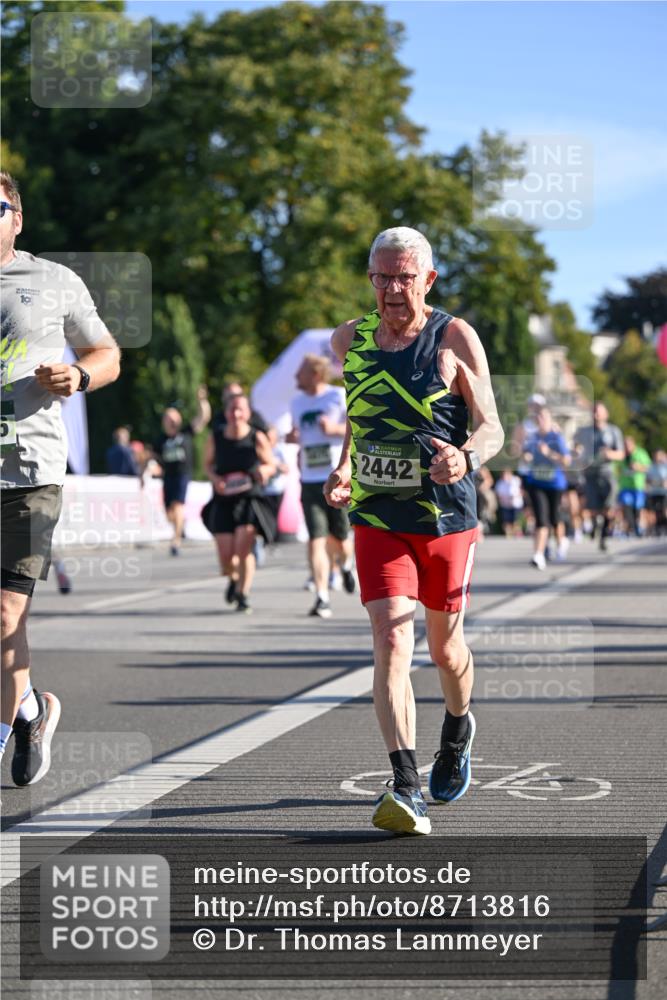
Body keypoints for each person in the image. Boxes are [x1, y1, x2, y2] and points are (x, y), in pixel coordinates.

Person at [324, 226, 503, 835]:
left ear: (428, 280)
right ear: (369, 278)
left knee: (444, 649)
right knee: (391, 640)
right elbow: (360, 411)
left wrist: (466, 457)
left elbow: (492, 427)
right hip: (378, 514)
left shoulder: (454, 337)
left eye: (404, 277)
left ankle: (457, 728)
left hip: (445, 516)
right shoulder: (347, 340)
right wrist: (345, 466)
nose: (392, 289)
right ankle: (405, 786)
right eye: (381, 277)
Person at [0, 170, 120, 784]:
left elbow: (107, 354)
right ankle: (28, 708)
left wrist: (79, 377)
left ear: (17, 218)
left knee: (4, 613)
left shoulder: (53, 280)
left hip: (27, 471)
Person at [288, 354, 356, 619]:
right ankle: (322, 596)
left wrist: (335, 429)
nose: (296, 377)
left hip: (335, 477)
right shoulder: (296, 402)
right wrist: (292, 437)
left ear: (316, 374)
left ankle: (347, 565)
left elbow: (354, 430)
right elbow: (296, 434)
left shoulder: (337, 397)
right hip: (308, 478)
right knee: (316, 539)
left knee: (338, 538)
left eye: (301, 372)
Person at [203, 393, 276, 613]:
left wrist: (265, 470)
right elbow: (207, 464)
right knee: (226, 557)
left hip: (249, 498)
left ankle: (244, 594)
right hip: (224, 500)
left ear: (248, 413)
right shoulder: (216, 437)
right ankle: (233, 579)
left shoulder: (257, 437)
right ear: (226, 413)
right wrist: (215, 479)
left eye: (240, 409)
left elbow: (271, 464)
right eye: (232, 409)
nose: (236, 414)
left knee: (243, 549)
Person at [154, 387, 211, 555]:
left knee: (178, 505)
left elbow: (203, 418)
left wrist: (202, 400)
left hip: (182, 475)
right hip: (167, 477)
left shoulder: (185, 433)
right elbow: (153, 458)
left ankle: (176, 541)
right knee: (168, 512)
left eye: (173, 418)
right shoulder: (161, 440)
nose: (170, 421)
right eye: (167, 418)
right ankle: (180, 526)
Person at [522, 407, 571, 568]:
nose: (540, 420)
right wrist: (526, 456)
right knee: (541, 519)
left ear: (550, 420)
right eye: (538, 417)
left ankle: (561, 541)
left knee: (554, 518)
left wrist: (548, 453)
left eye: (544, 417)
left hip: (555, 484)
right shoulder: (533, 437)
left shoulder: (556, 438)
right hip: (536, 483)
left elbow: (566, 461)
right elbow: (525, 453)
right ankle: (538, 555)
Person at [574, 402, 625, 552]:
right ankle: (597, 523)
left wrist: (610, 454)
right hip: (590, 473)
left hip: (607, 473)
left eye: (599, 412)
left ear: (606, 414)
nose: (596, 415)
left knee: (609, 506)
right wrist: (578, 453)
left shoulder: (613, 431)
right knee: (593, 507)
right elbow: (575, 447)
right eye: (594, 412)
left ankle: (603, 535)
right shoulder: (584, 431)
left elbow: (621, 454)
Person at [617, 435, 651, 538]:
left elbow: (648, 467)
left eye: (628, 445)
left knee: (637, 509)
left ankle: (638, 527)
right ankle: (632, 528)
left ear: (633, 444)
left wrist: (638, 467)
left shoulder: (641, 453)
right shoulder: (621, 455)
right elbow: (617, 468)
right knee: (627, 507)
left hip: (638, 487)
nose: (627, 447)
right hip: (625, 487)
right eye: (625, 445)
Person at [495, 467, 524, 537]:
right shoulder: (500, 483)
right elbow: (498, 494)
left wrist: (515, 496)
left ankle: (517, 532)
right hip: (505, 504)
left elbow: (521, 491)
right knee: (506, 520)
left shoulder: (516, 480)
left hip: (516, 504)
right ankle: (509, 533)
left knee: (516, 520)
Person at [646, 449, 667, 536]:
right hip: (654, 492)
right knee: (655, 512)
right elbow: (648, 479)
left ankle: (665, 526)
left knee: (664, 510)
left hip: (664, 492)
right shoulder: (651, 467)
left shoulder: (665, 466)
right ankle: (657, 528)